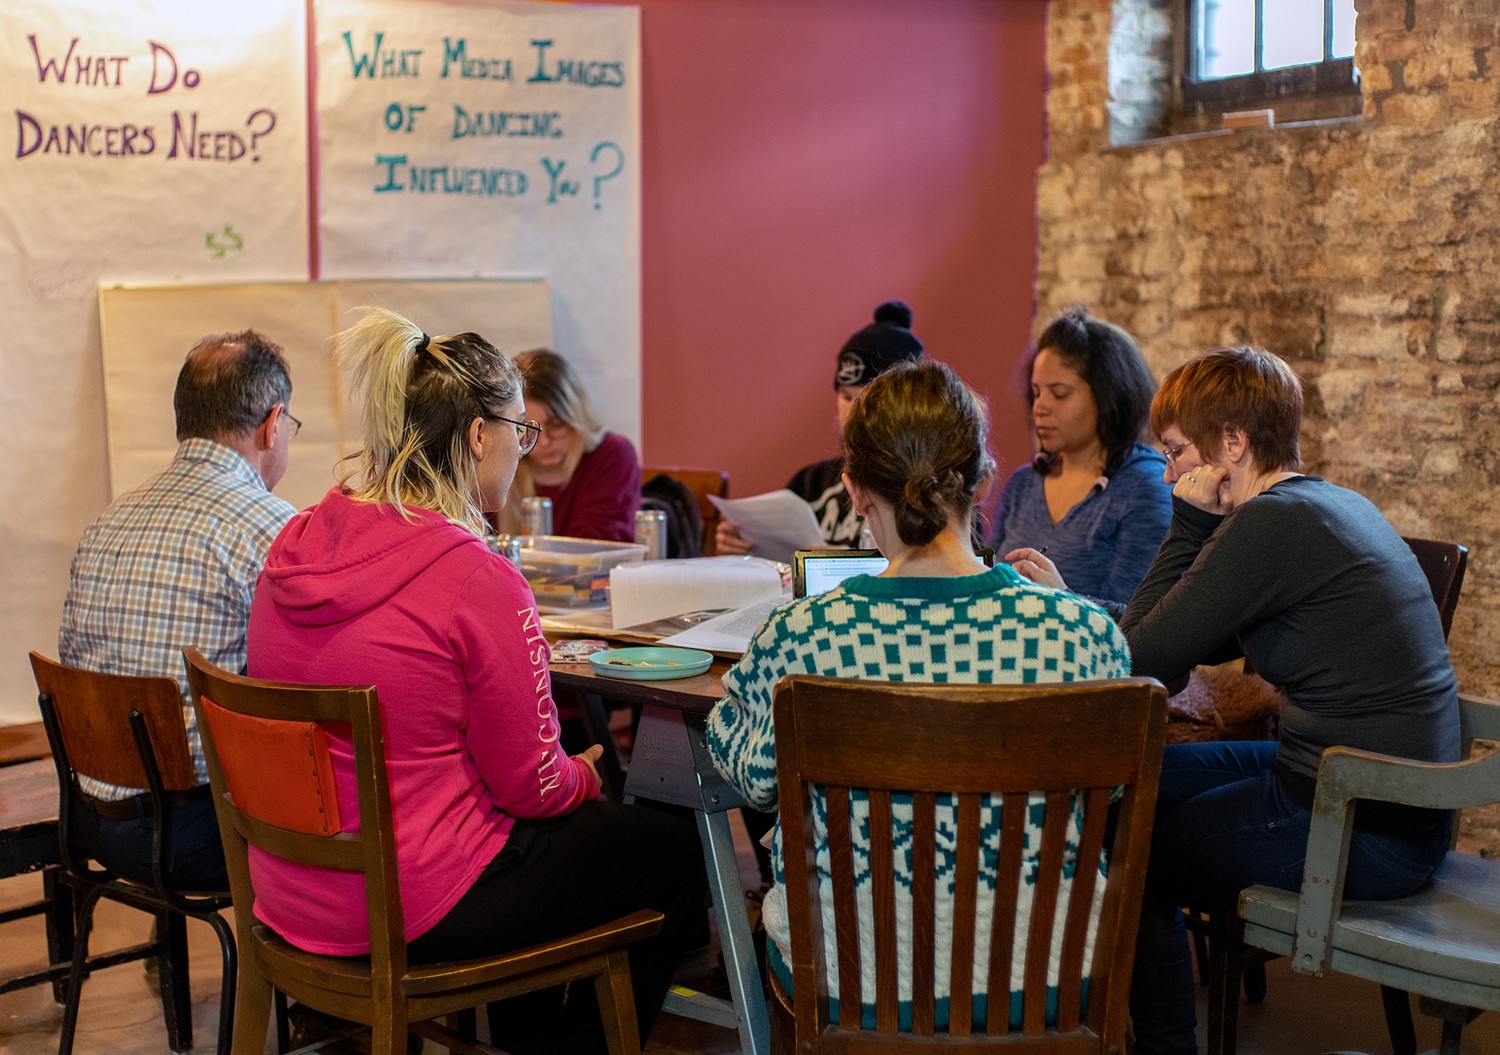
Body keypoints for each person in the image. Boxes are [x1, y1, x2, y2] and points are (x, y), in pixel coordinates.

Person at [246, 308, 703, 1055]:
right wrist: (584, 778)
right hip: (409, 903)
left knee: (544, 846)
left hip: (293, 885)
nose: (524, 449)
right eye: (519, 431)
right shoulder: (475, 577)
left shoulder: (295, 540)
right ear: (475, 436)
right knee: (670, 855)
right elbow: (532, 787)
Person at [705, 359, 1131, 1029]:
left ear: (853, 489)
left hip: (858, 985)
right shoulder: (1084, 635)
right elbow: (1106, 795)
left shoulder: (800, 638)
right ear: (984, 480)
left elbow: (753, 778)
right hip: (1050, 981)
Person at [1120, 346, 1460, 1055]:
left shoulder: (1269, 524)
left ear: (1232, 444)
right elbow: (1183, 638)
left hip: (1363, 827)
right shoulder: (1320, 501)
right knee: (1128, 783)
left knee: (1133, 844)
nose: (1169, 473)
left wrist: (1187, 528)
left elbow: (1140, 656)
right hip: (1372, 796)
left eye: (1177, 452)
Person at [59, 330, 298, 889]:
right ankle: (313, 965)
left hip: (92, 817)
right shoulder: (269, 528)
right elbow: (307, 681)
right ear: (273, 423)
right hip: (191, 835)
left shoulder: (108, 521)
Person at [995, 307, 1171, 612]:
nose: (1040, 407)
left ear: (1107, 398)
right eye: (1036, 393)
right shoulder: (1023, 484)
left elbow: (1143, 630)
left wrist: (1062, 600)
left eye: (1059, 394)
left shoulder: (1145, 488)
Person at [716, 300, 925, 552]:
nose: (851, 412)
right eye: (845, 397)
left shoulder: (930, 492)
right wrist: (741, 546)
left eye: (863, 400)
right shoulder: (809, 483)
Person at [497, 348, 641, 542]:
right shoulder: (497, 462)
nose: (544, 442)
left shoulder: (612, 454)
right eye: (527, 428)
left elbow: (597, 551)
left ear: (576, 416)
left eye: (557, 425)